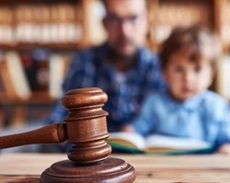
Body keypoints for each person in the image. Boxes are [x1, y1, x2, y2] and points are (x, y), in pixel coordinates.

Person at [122, 25, 230, 156]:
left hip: (203, 171)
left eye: (197, 69)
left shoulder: (216, 106)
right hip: (161, 169)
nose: (187, 78)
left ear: (211, 75)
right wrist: (128, 134)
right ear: (164, 73)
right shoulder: (154, 102)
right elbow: (136, 130)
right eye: (179, 70)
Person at [47, 0, 165, 134]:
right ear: (104, 23)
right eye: (115, 19)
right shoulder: (84, 62)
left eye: (133, 18)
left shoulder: (161, 67)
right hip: (90, 153)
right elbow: (58, 117)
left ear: (147, 21)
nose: (124, 31)